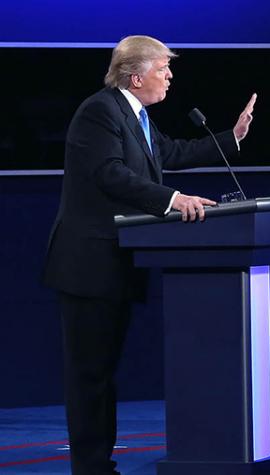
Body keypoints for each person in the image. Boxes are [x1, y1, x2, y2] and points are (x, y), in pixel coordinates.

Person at [42, 35, 257, 475]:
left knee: (103, 375)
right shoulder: (99, 112)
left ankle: (100, 464)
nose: (170, 76)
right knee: (90, 377)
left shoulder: (134, 114)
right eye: (163, 68)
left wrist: (231, 138)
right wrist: (174, 199)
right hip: (87, 265)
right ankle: (91, 468)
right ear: (135, 75)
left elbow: (171, 152)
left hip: (115, 265)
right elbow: (110, 174)